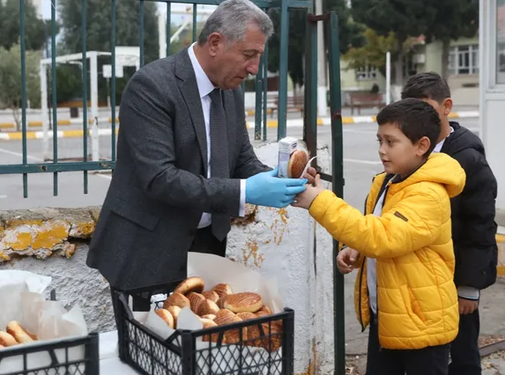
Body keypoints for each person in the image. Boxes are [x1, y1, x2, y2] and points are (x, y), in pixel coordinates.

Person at [86, 0, 313, 306]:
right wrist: (247, 191)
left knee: (200, 348)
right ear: (216, 43)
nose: (254, 69)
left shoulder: (230, 90)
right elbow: (160, 178)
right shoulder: (151, 86)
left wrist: (277, 178)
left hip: (206, 249)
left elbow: (241, 157)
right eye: (248, 55)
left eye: (258, 56)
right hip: (148, 251)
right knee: (151, 347)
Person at [294, 98, 466, 375]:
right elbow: (381, 232)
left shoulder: (428, 194)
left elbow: (383, 237)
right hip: (387, 316)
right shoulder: (390, 181)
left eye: (391, 142)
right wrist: (357, 250)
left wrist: (320, 202)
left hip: (421, 325)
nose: (382, 151)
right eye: (379, 141)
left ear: (421, 145)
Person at [401, 72, 498, 375]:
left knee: (463, 353)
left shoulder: (467, 156)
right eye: (411, 109)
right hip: (424, 277)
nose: (419, 117)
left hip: (456, 279)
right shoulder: (413, 150)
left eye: (426, 108)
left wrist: (469, 286)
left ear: (446, 106)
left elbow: (479, 225)